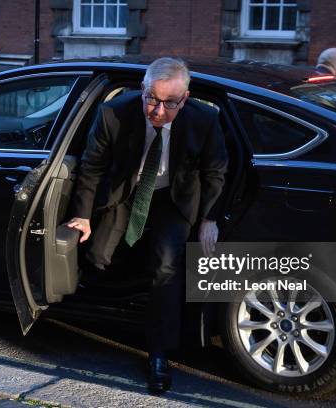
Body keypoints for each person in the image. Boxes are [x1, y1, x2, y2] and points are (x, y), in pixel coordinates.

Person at [66, 57, 228, 393]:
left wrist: (209, 219)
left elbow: (215, 171)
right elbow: (92, 166)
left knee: (166, 268)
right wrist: (82, 215)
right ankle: (142, 299)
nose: (157, 111)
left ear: (184, 99)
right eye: (151, 99)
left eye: (170, 103)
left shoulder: (205, 119)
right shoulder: (113, 113)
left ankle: (159, 352)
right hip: (126, 193)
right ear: (141, 90)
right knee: (98, 259)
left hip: (175, 198)